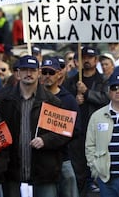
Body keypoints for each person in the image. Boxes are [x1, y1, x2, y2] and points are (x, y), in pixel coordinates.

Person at [0, 55, 72, 197]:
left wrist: (45, 140)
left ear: (38, 73)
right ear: (17, 73)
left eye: (32, 70)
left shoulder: (52, 101)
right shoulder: (4, 100)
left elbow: (64, 133)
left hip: (44, 172)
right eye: (24, 70)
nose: (28, 74)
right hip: (11, 171)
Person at [64, 46, 110, 197]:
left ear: (96, 60)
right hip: (77, 132)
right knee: (79, 172)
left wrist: (87, 93)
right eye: (83, 57)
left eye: (90, 57)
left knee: (97, 170)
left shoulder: (103, 80)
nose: (87, 60)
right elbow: (64, 101)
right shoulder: (72, 81)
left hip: (97, 132)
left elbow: (107, 99)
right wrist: (74, 99)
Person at [40, 57, 81, 197]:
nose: (47, 76)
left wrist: (53, 138)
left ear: (59, 74)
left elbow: (76, 130)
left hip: (63, 158)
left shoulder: (68, 99)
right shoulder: (35, 97)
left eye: (50, 73)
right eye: (44, 72)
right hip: (41, 161)